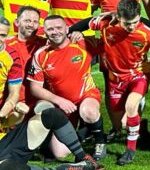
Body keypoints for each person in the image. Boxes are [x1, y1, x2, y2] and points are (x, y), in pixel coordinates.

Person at [70, 0, 150, 165]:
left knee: (130, 108)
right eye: (127, 23)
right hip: (115, 78)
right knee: (121, 125)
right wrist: (73, 32)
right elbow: (87, 23)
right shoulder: (106, 24)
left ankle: (130, 150)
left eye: (135, 22)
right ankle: (137, 122)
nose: (132, 27)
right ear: (118, 17)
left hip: (137, 75)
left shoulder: (147, 33)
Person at [28, 15, 106, 159]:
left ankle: (100, 142)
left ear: (66, 29)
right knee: (60, 153)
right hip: (62, 105)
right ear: (44, 31)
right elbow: (35, 88)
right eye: (50, 29)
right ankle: (85, 131)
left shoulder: (82, 43)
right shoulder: (41, 55)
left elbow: (110, 40)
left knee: (88, 111)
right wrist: (60, 101)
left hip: (86, 96)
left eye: (59, 28)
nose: (55, 32)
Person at [0, 103, 102, 170]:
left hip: (6, 142)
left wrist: (19, 113)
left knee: (51, 115)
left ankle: (84, 158)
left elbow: (8, 122)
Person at [6, 6, 46, 104]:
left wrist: (78, 34)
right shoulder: (6, 46)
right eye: (27, 21)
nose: (31, 25)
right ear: (17, 22)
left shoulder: (46, 44)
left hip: (40, 100)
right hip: (13, 101)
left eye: (35, 22)